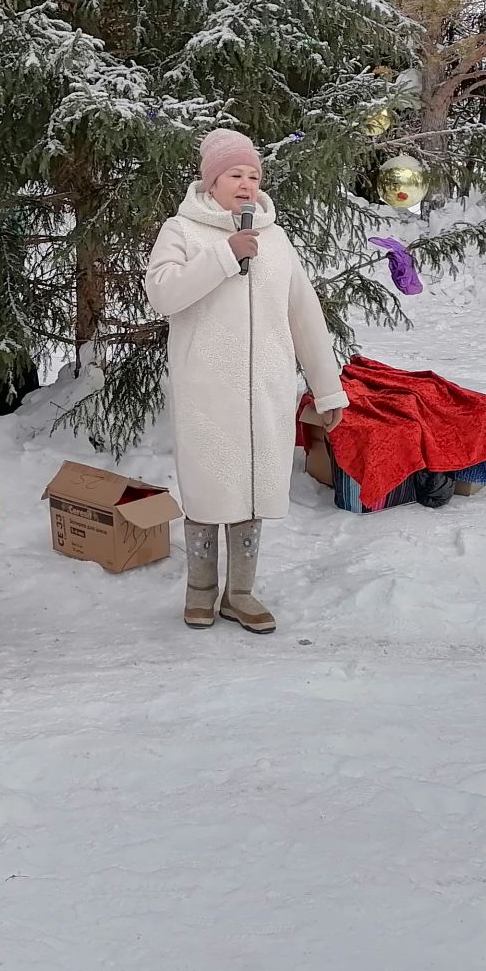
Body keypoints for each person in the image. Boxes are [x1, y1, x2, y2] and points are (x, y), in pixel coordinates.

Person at [144, 129, 349, 635]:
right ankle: (199, 591)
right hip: (207, 389)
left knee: (253, 489)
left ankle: (240, 594)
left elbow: (305, 316)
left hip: (267, 391)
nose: (246, 184)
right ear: (211, 179)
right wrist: (222, 255)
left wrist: (327, 388)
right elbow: (163, 295)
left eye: (254, 175)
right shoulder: (181, 230)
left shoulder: (275, 239)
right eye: (235, 174)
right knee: (209, 488)